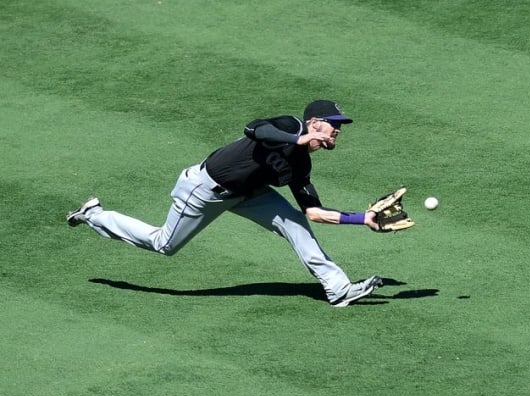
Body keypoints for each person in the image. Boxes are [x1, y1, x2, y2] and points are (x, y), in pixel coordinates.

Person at [67, 100, 383, 307]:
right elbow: (254, 128)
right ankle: (95, 215)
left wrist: (363, 218)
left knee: (295, 223)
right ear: (314, 122)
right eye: (333, 123)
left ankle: (338, 289)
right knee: (164, 244)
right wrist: (296, 140)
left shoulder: (302, 166)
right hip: (205, 188)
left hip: (250, 194)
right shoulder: (290, 126)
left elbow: (313, 212)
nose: (338, 129)